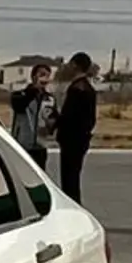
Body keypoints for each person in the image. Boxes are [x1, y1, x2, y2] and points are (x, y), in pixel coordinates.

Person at [56, 54, 98, 202]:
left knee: (69, 180)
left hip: (71, 140)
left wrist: (55, 122)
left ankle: (72, 207)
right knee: (74, 176)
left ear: (75, 65)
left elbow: (69, 116)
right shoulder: (89, 88)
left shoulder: (76, 89)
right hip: (82, 139)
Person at [9, 62, 55, 169]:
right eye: (41, 74)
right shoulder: (20, 95)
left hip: (41, 145)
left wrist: (51, 125)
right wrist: (34, 90)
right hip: (23, 143)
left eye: (47, 75)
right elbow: (19, 106)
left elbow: (53, 117)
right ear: (34, 76)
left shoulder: (49, 99)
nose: (44, 78)